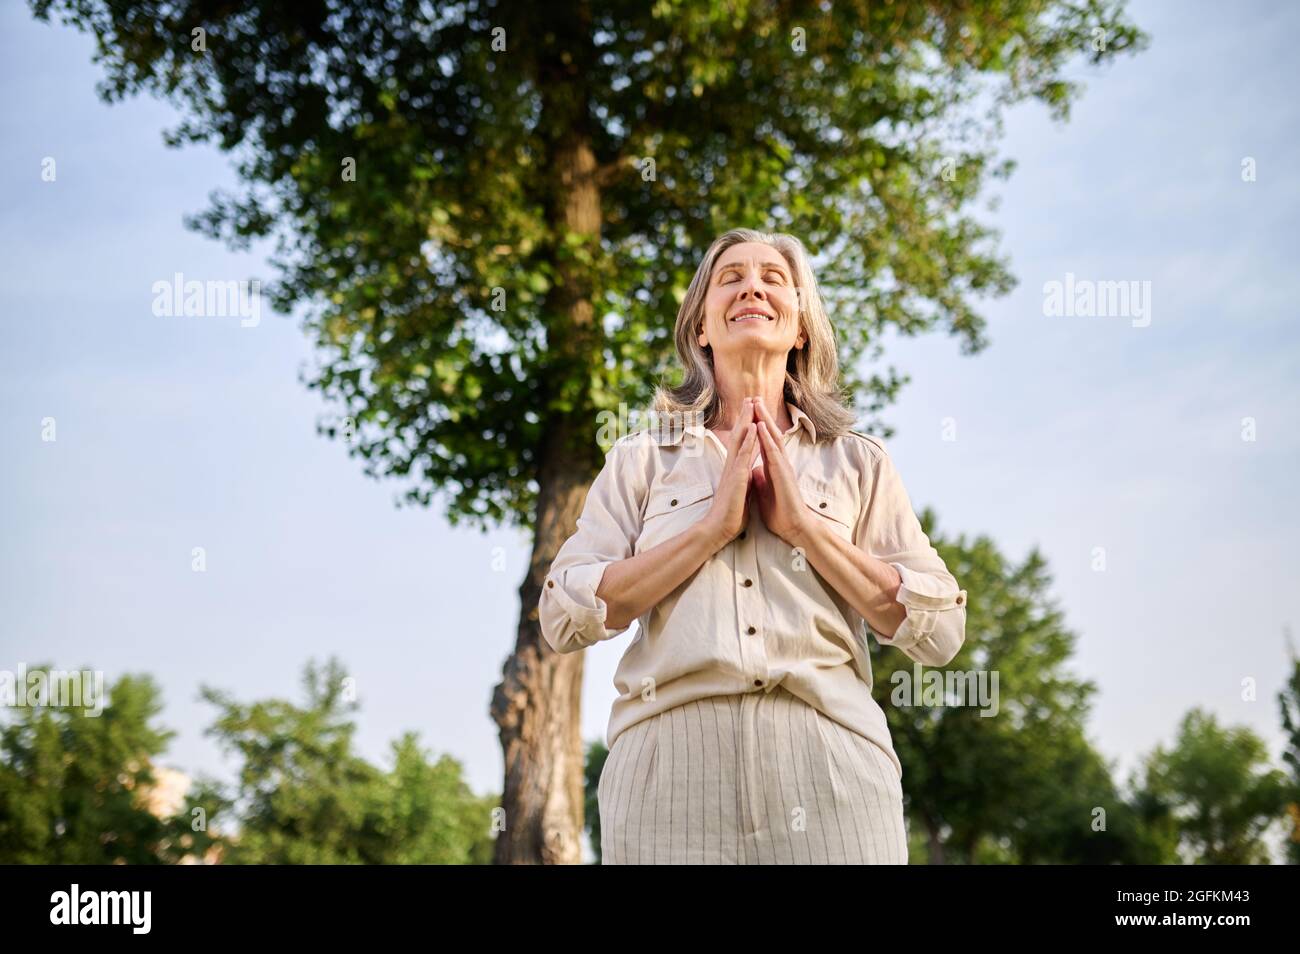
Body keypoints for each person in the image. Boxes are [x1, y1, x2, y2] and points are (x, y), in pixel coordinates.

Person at [539, 227, 968, 864]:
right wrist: (709, 529)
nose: (752, 286)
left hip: (832, 766)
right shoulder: (640, 460)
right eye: (730, 276)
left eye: (773, 277)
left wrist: (804, 528)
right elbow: (562, 617)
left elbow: (939, 631)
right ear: (702, 329)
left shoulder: (858, 463)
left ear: (800, 329)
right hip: (667, 771)